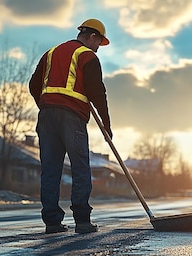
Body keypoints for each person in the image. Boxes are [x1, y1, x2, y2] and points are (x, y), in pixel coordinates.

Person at [29, 18, 113, 234]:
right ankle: (82, 221)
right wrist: (106, 123)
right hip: (72, 117)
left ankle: (52, 223)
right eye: (99, 43)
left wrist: (46, 105)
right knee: (80, 167)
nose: (98, 48)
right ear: (92, 37)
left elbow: (33, 85)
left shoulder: (51, 53)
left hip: (46, 117)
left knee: (50, 169)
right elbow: (97, 92)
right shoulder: (87, 56)